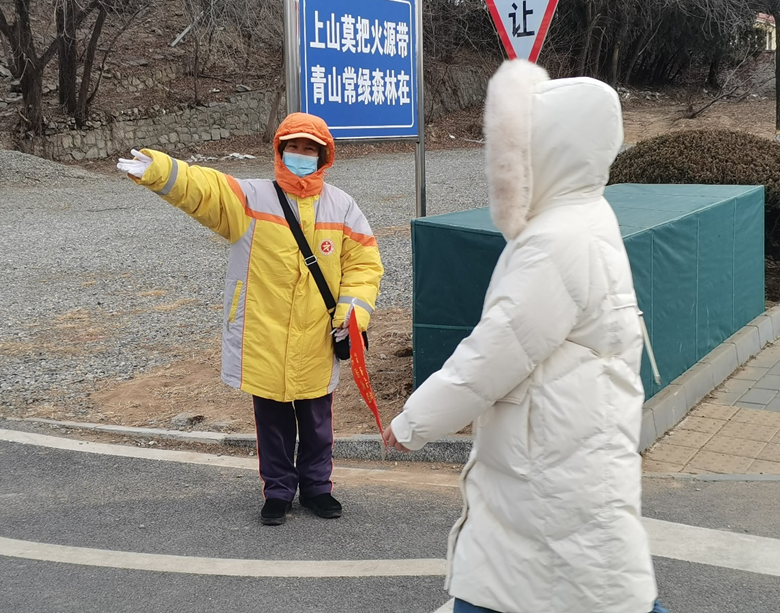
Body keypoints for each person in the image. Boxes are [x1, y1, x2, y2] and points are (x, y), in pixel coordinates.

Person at [383, 60, 664, 612]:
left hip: (549, 461)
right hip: (567, 446)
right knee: (583, 580)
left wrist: (414, 421)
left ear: (548, 151)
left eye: (515, 150)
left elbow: (495, 352)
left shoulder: (555, 240)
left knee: (559, 583)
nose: (504, 166)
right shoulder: (588, 215)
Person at [117, 112, 383, 526]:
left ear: (324, 156)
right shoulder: (250, 199)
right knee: (272, 422)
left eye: (310, 148)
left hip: (316, 335)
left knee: (317, 421)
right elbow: (204, 188)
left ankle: (317, 488)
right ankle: (278, 491)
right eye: (293, 146)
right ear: (280, 150)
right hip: (264, 334)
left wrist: (351, 316)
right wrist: (160, 170)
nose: (301, 154)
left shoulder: (342, 206)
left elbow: (364, 265)